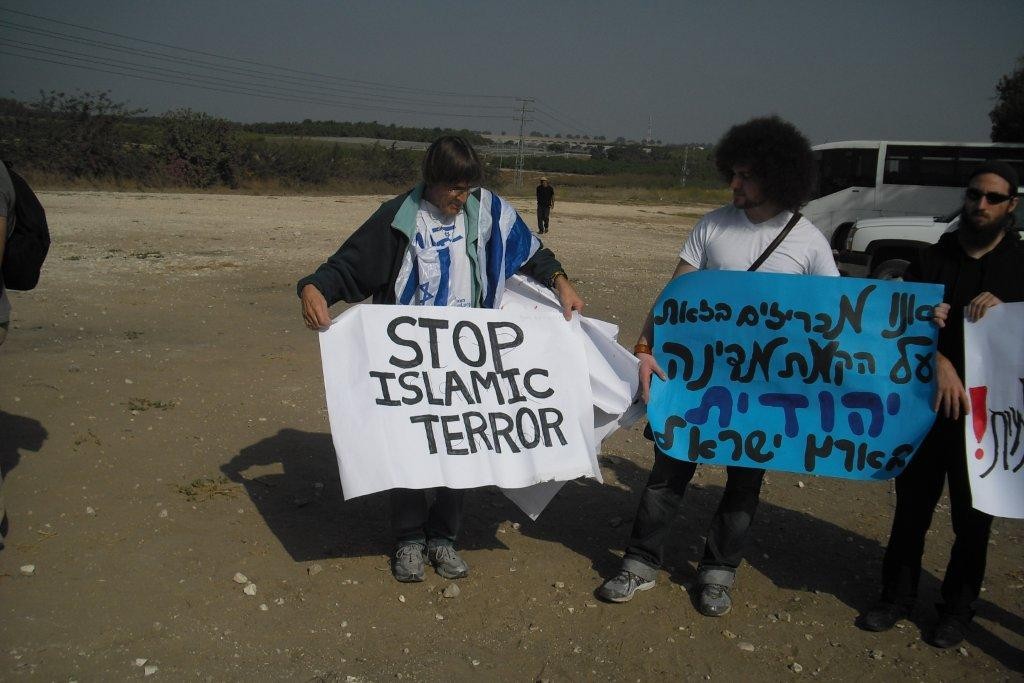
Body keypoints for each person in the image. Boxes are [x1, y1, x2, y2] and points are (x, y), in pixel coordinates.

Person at [297, 136, 584, 583]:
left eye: (467, 188)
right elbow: (350, 265)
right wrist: (314, 287)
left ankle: (444, 537)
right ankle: (409, 539)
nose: (461, 197)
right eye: (454, 188)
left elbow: (531, 253)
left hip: (467, 361)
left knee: (461, 446)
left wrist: (561, 282)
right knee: (409, 446)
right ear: (432, 180)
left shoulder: (488, 213)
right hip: (411, 364)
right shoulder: (399, 218)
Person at [596, 116, 839, 616]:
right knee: (667, 474)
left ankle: (717, 574)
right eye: (733, 173)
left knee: (744, 484)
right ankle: (639, 563)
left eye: (747, 176)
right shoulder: (710, 225)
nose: (735, 184)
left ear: (778, 176)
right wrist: (645, 346)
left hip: (761, 391)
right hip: (694, 382)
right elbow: (675, 295)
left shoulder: (809, 241)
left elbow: (836, 316)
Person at [859, 161, 1023, 648]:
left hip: (986, 419)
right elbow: (897, 326)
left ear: (1011, 205)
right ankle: (895, 597)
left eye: (993, 198)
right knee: (912, 509)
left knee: (973, 521)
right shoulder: (931, 259)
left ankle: (957, 610)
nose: (981, 205)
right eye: (974, 194)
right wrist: (937, 357)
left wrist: (1008, 316)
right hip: (927, 408)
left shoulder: (1020, 266)